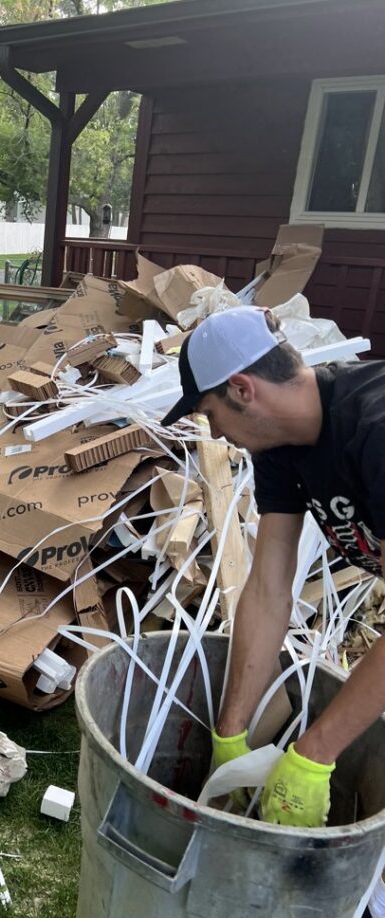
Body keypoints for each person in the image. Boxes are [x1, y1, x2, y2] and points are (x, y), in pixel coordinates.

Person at [160, 304, 385, 828]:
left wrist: (315, 752)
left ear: (242, 389)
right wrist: (230, 733)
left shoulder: (374, 430)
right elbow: (267, 588)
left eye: (210, 414)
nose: (214, 435)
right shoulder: (281, 447)